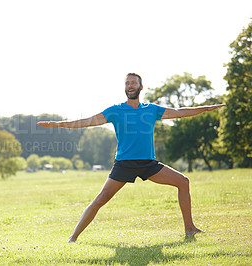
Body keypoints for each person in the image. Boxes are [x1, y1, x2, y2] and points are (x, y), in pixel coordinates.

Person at [37, 73, 225, 243]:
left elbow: (179, 112)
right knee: (100, 199)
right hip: (124, 164)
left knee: (183, 182)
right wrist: (59, 124)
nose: (130, 85)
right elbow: (87, 121)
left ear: (141, 87)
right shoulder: (115, 110)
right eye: (127, 83)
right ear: (125, 88)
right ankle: (73, 237)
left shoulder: (151, 109)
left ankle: (189, 228)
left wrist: (206, 108)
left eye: (134, 83)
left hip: (148, 164)